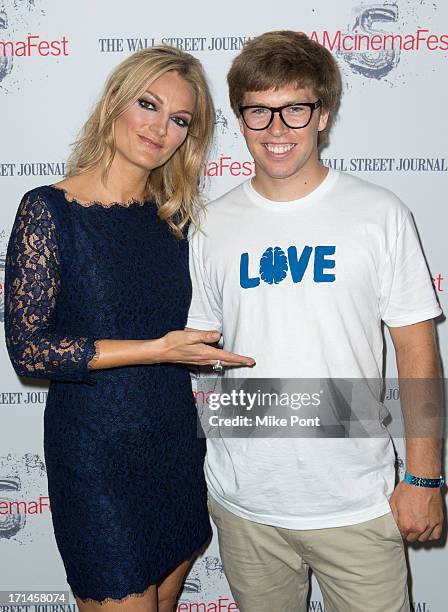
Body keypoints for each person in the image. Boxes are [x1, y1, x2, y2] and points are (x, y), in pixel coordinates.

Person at [187, 31, 445, 612]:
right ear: (241, 118)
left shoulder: (379, 213)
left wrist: (425, 479)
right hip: (244, 504)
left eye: (294, 109)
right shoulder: (211, 224)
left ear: (322, 115)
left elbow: (417, 350)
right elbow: (205, 355)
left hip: (355, 502)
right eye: (259, 110)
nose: (277, 129)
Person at [4, 45, 254, 612]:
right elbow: (31, 353)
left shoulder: (176, 220)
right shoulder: (49, 211)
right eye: (149, 104)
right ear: (115, 100)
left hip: (171, 440)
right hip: (95, 450)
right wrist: (158, 349)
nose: (161, 127)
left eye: (180, 119)